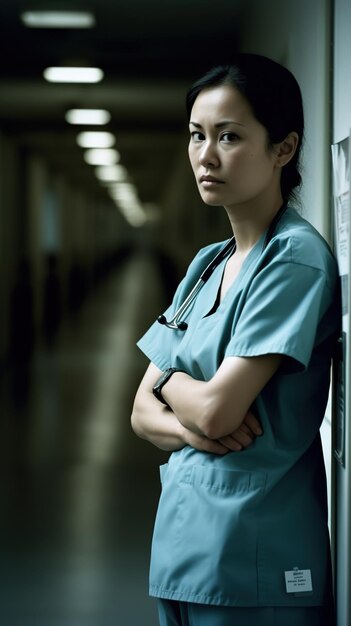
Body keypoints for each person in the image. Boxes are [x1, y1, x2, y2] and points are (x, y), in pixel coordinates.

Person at [131, 53, 340, 626]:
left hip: (254, 557)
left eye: (229, 136)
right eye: (197, 135)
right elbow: (139, 415)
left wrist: (172, 382)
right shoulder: (207, 264)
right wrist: (190, 423)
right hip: (184, 550)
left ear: (284, 148)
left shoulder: (292, 259)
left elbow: (219, 412)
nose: (206, 155)